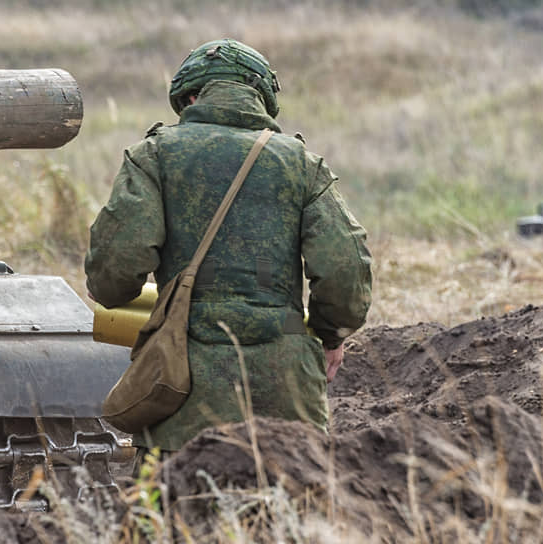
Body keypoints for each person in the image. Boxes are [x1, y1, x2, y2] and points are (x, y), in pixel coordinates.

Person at [85, 39, 372, 452]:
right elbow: (345, 271)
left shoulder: (155, 155)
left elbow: (116, 270)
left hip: (181, 390)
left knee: (178, 508)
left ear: (190, 96)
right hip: (286, 391)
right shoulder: (303, 164)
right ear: (260, 99)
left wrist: (109, 289)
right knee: (288, 504)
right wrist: (331, 335)